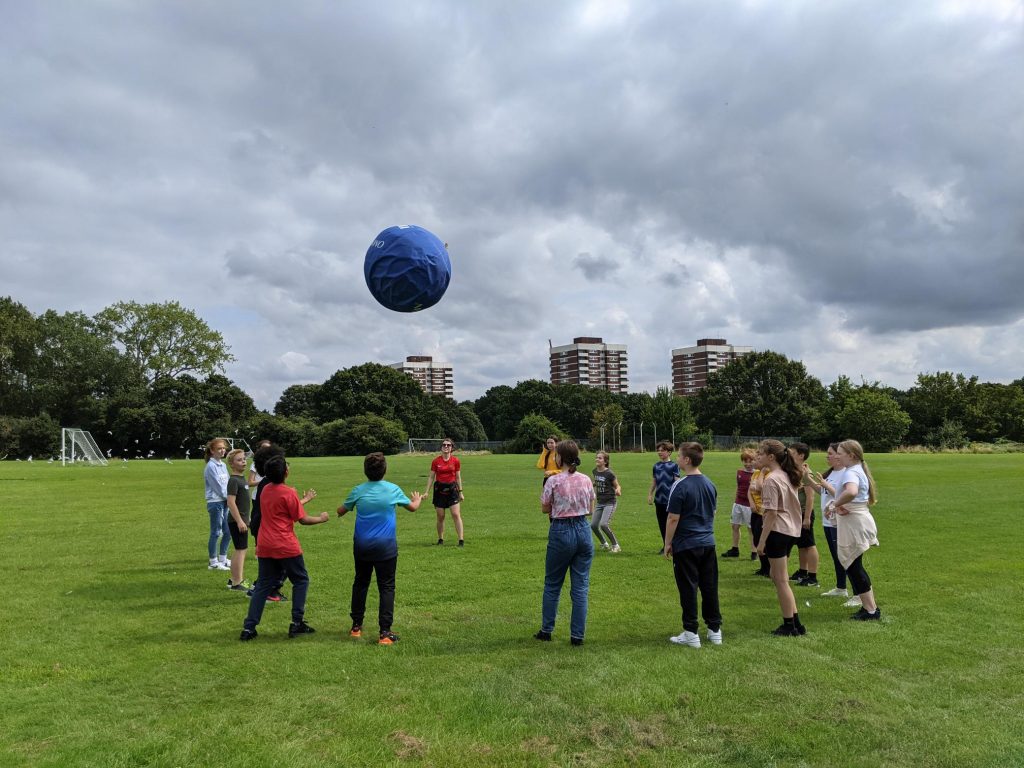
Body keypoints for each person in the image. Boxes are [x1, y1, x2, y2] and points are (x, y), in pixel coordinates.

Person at [239, 455, 328, 641]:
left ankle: (249, 628)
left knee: (263, 585)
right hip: (285, 544)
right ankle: (297, 623)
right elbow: (302, 519)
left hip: (265, 543)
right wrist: (321, 518)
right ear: (286, 472)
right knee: (301, 580)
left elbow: (282, 508)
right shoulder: (289, 492)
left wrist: (303, 500)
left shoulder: (264, 490)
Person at [338, 452, 423, 645]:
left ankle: (356, 627)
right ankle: (385, 633)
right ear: (385, 470)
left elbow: (341, 511)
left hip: (362, 546)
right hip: (386, 547)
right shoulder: (393, 489)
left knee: (361, 583)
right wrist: (417, 499)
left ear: (365, 470)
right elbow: (412, 507)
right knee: (386, 587)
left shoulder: (358, 490)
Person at [535, 440, 595, 646]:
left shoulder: (553, 481)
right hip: (583, 529)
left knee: (553, 584)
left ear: (560, 457)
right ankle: (577, 636)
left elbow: (545, 508)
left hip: (561, 530)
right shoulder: (586, 479)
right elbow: (590, 509)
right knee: (580, 587)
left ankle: (546, 630)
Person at [664, 442, 723, 648]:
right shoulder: (710, 484)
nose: (677, 459)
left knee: (688, 588)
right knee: (709, 587)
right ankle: (715, 630)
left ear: (687, 460)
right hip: (708, 543)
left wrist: (668, 543)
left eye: (679, 456)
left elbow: (673, 518)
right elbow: (712, 512)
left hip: (686, 544)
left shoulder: (680, 485)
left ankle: (691, 633)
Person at [754, 439, 807, 636]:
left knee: (781, 580)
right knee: (778, 577)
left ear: (771, 457)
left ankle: (788, 625)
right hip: (790, 531)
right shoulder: (786, 475)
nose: (757, 456)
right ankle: (796, 623)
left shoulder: (772, 479)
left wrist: (761, 542)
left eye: (760, 453)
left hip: (778, 532)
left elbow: (771, 514)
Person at [827, 439, 882, 620]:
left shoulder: (851, 472)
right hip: (856, 521)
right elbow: (852, 496)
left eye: (840, 453)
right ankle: (869, 607)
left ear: (851, 455)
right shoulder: (856, 470)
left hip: (854, 524)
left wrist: (835, 504)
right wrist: (838, 505)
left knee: (853, 566)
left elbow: (851, 492)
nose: (837, 456)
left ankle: (871, 610)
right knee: (853, 566)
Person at [809, 444, 850, 599]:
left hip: (839, 521)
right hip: (828, 520)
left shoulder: (846, 474)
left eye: (830, 453)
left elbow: (844, 496)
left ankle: (858, 594)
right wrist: (808, 478)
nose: (827, 456)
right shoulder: (831, 472)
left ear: (839, 456)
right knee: (836, 556)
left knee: (846, 557)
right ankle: (841, 588)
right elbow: (823, 492)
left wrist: (826, 484)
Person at [788, 443, 821, 587]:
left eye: (792, 453)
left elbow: (810, 497)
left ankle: (813, 577)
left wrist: (807, 518)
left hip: (804, 513)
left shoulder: (806, 472)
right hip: (796, 513)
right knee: (801, 545)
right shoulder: (794, 470)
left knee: (809, 544)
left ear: (801, 455)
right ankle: (802, 571)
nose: (789, 455)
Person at [425, 438, 464, 546]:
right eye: (444, 445)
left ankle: (461, 540)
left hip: (452, 490)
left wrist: (461, 492)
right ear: (441, 447)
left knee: (456, 514)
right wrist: (426, 492)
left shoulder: (456, 461)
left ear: (452, 448)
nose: (446, 446)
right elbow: (431, 477)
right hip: (439, 491)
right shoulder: (436, 461)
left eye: (448, 445)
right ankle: (440, 539)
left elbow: (458, 477)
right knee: (440, 516)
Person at [225, 449, 252, 591]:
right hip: (237, 521)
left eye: (244, 459)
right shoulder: (234, 480)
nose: (243, 462)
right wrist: (240, 521)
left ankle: (234, 579)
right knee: (240, 550)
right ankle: (237, 582)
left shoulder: (242, 478)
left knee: (241, 549)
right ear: (232, 464)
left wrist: (247, 519)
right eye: (239, 460)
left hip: (242, 520)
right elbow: (230, 502)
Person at [721, 448, 756, 559]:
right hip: (738, 503)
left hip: (750, 506)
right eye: (745, 461)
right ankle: (735, 549)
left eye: (750, 461)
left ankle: (754, 552)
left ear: (755, 461)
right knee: (735, 526)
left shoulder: (757, 474)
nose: (748, 464)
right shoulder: (739, 473)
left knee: (751, 529)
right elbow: (739, 487)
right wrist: (735, 500)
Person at [647, 441, 681, 552]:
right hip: (659, 500)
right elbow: (654, 481)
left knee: (670, 524)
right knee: (662, 524)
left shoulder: (674, 466)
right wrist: (650, 494)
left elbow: (677, 482)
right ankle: (665, 546)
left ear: (669, 452)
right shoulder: (656, 466)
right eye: (658, 450)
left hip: (670, 500)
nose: (659, 452)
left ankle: (674, 546)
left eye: (662, 450)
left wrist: (677, 497)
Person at [203, 438, 231, 571]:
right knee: (216, 532)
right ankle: (213, 562)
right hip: (215, 502)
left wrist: (231, 497)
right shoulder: (210, 466)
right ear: (212, 451)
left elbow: (228, 483)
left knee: (228, 531)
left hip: (225, 501)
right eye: (219, 448)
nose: (222, 450)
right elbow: (217, 487)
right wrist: (230, 498)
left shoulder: (223, 465)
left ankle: (223, 558)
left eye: (224, 448)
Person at [591, 450, 621, 552]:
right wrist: (589, 485)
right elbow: (596, 482)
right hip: (600, 502)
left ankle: (616, 545)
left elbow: (617, 485)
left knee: (604, 524)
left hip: (610, 502)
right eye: (596, 457)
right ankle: (604, 543)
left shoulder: (609, 473)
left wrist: (618, 490)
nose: (597, 459)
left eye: (600, 458)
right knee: (593, 525)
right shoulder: (595, 471)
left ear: (605, 461)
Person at [747, 454, 771, 577]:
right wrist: (751, 503)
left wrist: (762, 473)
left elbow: (761, 488)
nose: (753, 462)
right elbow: (750, 490)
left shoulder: (769, 474)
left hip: (764, 512)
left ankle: (768, 568)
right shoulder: (755, 473)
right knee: (756, 538)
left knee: (763, 539)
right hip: (755, 511)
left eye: (756, 460)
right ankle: (763, 567)